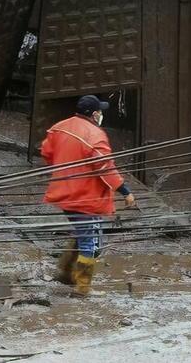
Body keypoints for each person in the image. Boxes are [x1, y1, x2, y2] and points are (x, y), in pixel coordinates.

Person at [40, 94, 135, 296]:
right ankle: (82, 288)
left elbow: (47, 152)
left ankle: (65, 273)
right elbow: (105, 167)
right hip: (85, 198)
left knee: (83, 232)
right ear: (94, 114)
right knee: (92, 243)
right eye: (100, 111)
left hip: (65, 195)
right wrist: (125, 191)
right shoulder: (95, 135)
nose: (101, 114)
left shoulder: (59, 127)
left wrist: (64, 172)